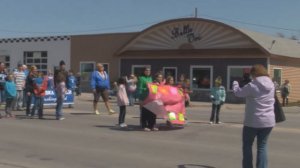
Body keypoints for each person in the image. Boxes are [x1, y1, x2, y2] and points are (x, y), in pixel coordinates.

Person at [232, 64, 275, 168]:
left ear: (254, 74)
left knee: (247, 146)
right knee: (262, 147)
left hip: (252, 122)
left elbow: (238, 93)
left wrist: (235, 83)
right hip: (268, 121)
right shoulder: (272, 85)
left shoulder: (252, 85)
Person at [138, 67, 157, 131]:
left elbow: (152, 87)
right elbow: (139, 89)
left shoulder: (150, 78)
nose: (148, 71)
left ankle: (151, 125)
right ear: (144, 71)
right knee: (144, 113)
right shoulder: (141, 78)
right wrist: (146, 89)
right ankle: (144, 126)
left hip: (151, 97)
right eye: (146, 70)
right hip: (144, 97)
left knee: (151, 112)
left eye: (149, 70)